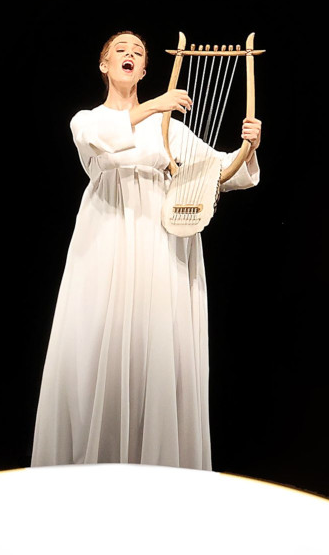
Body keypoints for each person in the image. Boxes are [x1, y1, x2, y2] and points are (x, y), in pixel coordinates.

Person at [32, 31, 262, 470]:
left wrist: (248, 148)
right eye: (121, 49)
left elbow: (221, 171)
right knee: (100, 337)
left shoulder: (169, 129)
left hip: (161, 238)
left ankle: (156, 466)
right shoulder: (88, 118)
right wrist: (155, 104)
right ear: (104, 65)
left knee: (157, 339)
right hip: (108, 236)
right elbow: (103, 140)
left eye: (138, 52)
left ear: (144, 69)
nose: (130, 55)